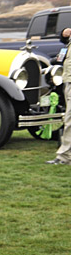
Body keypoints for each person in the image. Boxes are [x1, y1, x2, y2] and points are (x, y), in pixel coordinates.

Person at [46, 27, 71, 165]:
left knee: (69, 120)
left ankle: (65, 157)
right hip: (68, 80)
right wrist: (64, 33)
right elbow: (63, 41)